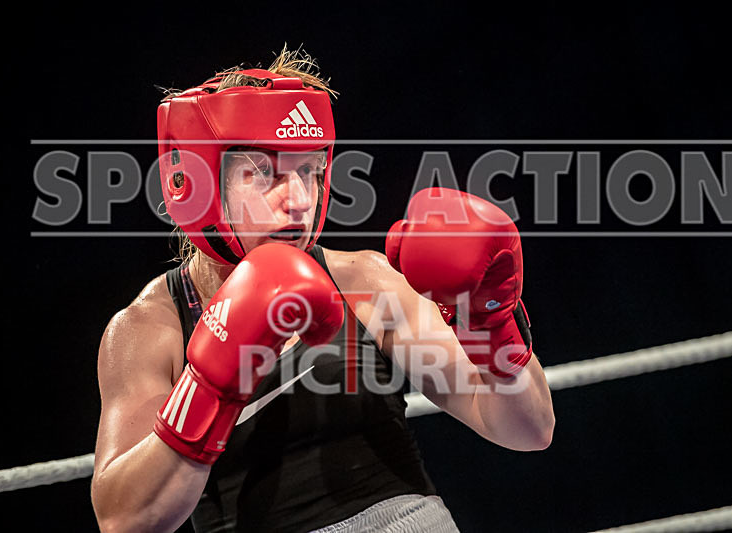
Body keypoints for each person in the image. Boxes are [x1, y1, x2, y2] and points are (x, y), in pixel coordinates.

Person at [90, 48, 555, 533]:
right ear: (197, 183)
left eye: (309, 171)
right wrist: (210, 385)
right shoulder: (148, 329)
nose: (298, 200)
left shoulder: (365, 282)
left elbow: (528, 429)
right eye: (264, 174)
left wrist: (492, 319)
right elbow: (124, 520)